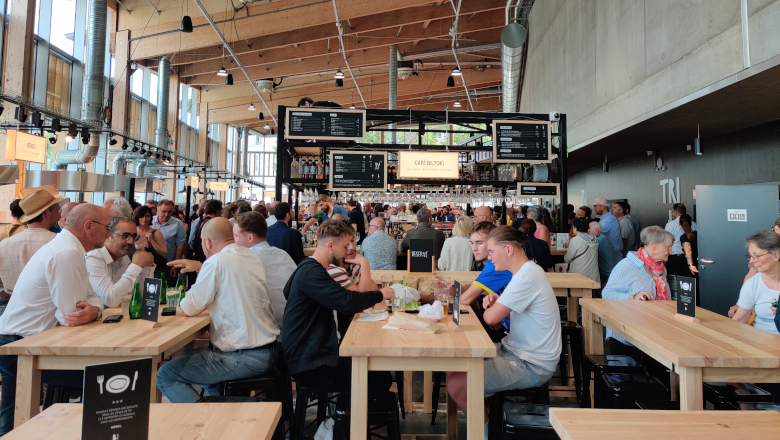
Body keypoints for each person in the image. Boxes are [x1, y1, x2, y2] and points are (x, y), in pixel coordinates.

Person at [0, 204, 108, 434]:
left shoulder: (69, 248)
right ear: (89, 226)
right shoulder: (66, 253)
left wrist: (95, 310)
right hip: (20, 346)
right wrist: (93, 310)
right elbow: (71, 316)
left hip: (24, 341)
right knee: (105, 380)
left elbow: (92, 297)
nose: (109, 233)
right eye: (107, 227)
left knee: (11, 415)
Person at [446, 226, 561, 433]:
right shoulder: (526, 272)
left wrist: (495, 307)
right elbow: (519, 314)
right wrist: (500, 303)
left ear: (508, 250)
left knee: (457, 384)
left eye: (491, 252)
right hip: (517, 352)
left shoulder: (526, 276)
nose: (489, 259)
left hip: (531, 363)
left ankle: (484, 434)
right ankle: (487, 418)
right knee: (453, 366)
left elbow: (490, 318)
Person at [157, 218, 279, 403]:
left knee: (165, 374)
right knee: (208, 376)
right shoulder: (251, 256)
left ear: (207, 242)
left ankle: (206, 423)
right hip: (269, 351)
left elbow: (189, 307)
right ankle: (225, 414)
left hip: (242, 357)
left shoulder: (215, 262)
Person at [282, 220, 393, 396]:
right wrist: (381, 294)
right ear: (331, 245)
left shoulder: (307, 267)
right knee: (378, 376)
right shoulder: (312, 272)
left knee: (375, 370)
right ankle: (337, 422)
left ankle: (341, 417)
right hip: (310, 361)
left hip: (313, 353)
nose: (350, 250)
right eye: (345, 245)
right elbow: (347, 302)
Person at [602, 226, 674, 357]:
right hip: (625, 335)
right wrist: (632, 297)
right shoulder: (626, 265)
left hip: (653, 333)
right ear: (653, 245)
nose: (670, 251)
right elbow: (607, 294)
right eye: (667, 247)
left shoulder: (660, 268)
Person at [232, 212, 294, 332]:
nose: (233, 241)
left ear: (250, 237)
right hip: (293, 324)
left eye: (236, 236)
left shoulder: (245, 258)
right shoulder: (282, 254)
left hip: (270, 329)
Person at [0, 190, 62, 298]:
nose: (59, 216)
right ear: (47, 213)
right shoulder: (59, 243)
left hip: (8, 307)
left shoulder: (4, 245)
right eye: (58, 210)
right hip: (47, 307)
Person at [86, 217, 155, 307]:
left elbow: (141, 296)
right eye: (124, 236)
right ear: (108, 235)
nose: (131, 242)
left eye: (134, 237)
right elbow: (110, 300)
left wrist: (146, 267)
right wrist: (136, 266)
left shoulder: (124, 258)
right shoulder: (93, 258)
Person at [731, 231, 780, 336]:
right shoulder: (752, 284)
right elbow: (740, 319)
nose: (751, 262)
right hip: (759, 342)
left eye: (757, 256)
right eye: (750, 256)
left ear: (776, 255)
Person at [150, 200, 186, 281]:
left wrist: (176, 265)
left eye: (169, 212)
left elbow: (180, 246)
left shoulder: (177, 224)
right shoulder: (150, 222)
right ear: (157, 210)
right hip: (150, 263)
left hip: (168, 263)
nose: (166, 214)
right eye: (164, 211)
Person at [131, 205, 168, 276]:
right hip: (134, 269)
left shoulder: (156, 233)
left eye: (147, 216)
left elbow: (164, 253)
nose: (144, 219)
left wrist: (151, 241)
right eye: (141, 216)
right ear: (136, 217)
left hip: (153, 271)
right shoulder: (132, 232)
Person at [664, 203, 697, 275]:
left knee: (676, 281)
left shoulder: (670, 225)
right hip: (691, 259)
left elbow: (666, 242)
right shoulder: (694, 224)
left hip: (674, 258)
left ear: (675, 212)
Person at [565, 218, 600, 284]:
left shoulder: (575, 240)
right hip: (593, 276)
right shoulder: (594, 239)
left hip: (579, 276)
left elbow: (567, 258)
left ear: (575, 228)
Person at [592, 197, 623, 263]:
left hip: (613, 257)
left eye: (595, 206)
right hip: (610, 256)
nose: (594, 208)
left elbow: (594, 233)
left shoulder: (609, 219)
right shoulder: (605, 218)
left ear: (603, 207)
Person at [590, 221, 615, 287]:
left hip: (604, 273)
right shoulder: (604, 238)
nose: (587, 231)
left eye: (589, 229)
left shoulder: (598, 240)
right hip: (609, 272)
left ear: (596, 231)